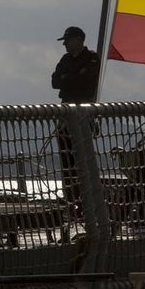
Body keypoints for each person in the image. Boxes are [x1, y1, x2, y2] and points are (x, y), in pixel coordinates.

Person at [51, 25, 100, 212]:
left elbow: (84, 81)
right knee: (67, 161)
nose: (64, 45)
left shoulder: (91, 59)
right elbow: (55, 82)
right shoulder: (65, 60)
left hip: (82, 115)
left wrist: (67, 78)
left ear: (78, 39)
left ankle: (85, 198)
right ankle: (71, 198)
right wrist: (71, 78)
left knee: (83, 159)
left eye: (67, 40)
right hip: (65, 116)